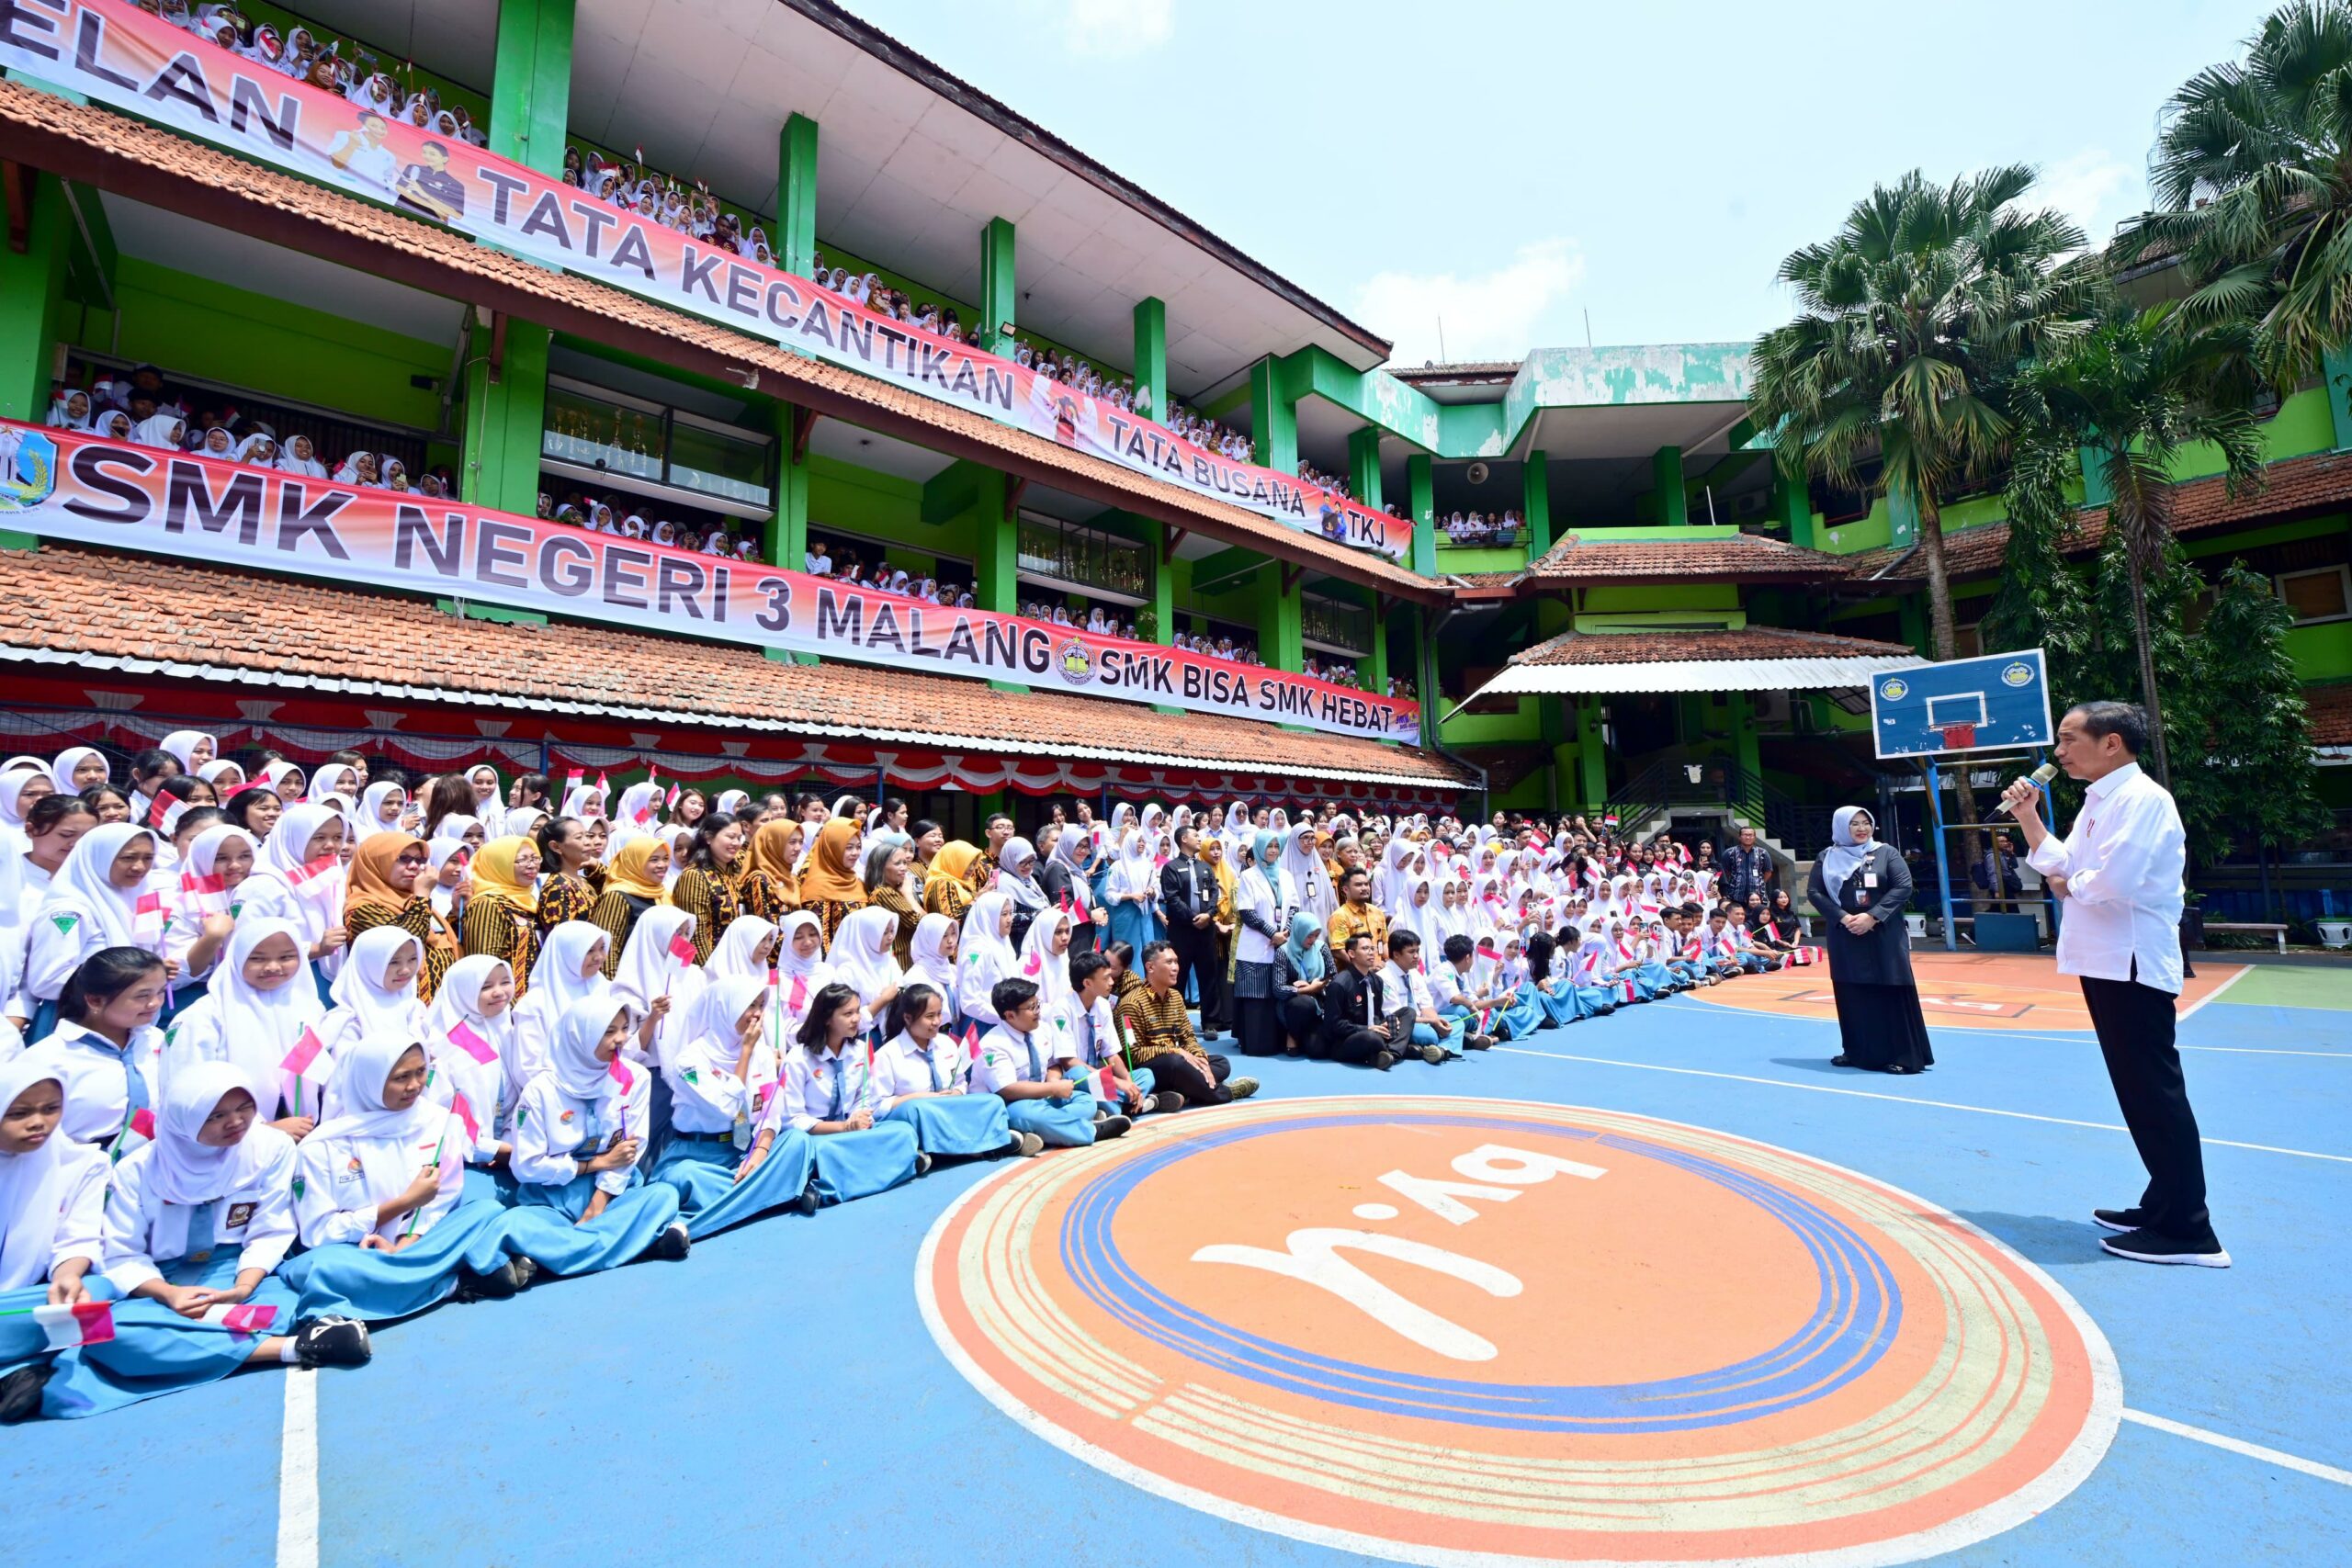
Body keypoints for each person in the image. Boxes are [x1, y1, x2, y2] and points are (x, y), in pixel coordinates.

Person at [2002, 702, 2224, 1268]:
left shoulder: (2143, 800)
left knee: (2154, 1093)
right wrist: (2030, 817)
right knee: (2137, 1093)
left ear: (2112, 742)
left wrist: (2068, 885)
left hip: (2130, 962)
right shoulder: (2100, 800)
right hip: (2104, 962)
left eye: (2069, 739)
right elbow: (2062, 861)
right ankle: (2163, 1204)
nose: (2058, 752)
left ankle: (2189, 1231)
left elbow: (2110, 881)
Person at [43, 1063, 369, 1419]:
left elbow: (271, 1229)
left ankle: (201, 1344)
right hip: (159, 1284)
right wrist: (169, 1295)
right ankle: (287, 1348)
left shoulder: (270, 1147)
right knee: (106, 1334)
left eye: (244, 1108)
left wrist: (243, 1287)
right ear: (185, 1118)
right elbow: (122, 1253)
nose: (236, 1122)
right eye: (215, 1116)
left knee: (283, 1304)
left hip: (238, 1273)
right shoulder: (136, 1170)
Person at [277, 1034, 529, 1322]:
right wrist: (403, 1203)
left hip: (420, 1241)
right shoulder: (322, 1147)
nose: (414, 1086)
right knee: (320, 1266)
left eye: (421, 1072)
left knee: (488, 1211)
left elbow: (439, 1201)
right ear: (369, 1080)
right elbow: (318, 1232)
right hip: (359, 1251)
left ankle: (396, 1287)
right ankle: (447, 1283)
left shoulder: (438, 1122)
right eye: (400, 1077)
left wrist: (404, 1244)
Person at [507, 995, 691, 1270]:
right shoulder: (541, 1091)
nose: (620, 1039)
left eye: (624, 1029)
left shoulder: (634, 1077)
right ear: (580, 1036)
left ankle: (560, 1253)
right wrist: (595, 1164)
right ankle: (632, 1243)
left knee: (663, 1195)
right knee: (512, 1223)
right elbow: (526, 1167)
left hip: (612, 1192)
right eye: (608, 1031)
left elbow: (632, 1149)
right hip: (552, 1199)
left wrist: (598, 1203)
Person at [651, 976, 820, 1236]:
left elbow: (771, 1111)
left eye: (760, 1005)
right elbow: (727, 1107)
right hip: (697, 1155)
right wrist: (745, 1053)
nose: (756, 1014)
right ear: (725, 1008)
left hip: (742, 1148)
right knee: (686, 1176)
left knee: (798, 1141)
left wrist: (760, 1153)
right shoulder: (688, 1062)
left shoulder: (762, 1053)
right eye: (749, 1006)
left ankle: (730, 1204)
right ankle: (775, 1192)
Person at [0, 1060, 109, 1423]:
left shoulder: (81, 1163)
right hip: (18, 1315)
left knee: (101, 1292)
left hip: (25, 1301)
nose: (38, 1123)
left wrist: (68, 1276)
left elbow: (79, 1237)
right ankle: (26, 1365)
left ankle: (20, 1366)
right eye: (18, 1113)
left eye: (51, 1109)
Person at [1807, 807, 1933, 1076]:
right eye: (1854, 824)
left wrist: (1873, 917)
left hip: (1883, 934)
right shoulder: (1827, 857)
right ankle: (1857, 1051)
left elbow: (1902, 887)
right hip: (1845, 934)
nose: (1862, 828)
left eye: (1866, 823)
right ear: (1842, 827)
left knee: (1890, 987)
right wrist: (1842, 918)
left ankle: (1903, 1055)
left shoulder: (1887, 853)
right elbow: (1815, 892)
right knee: (1851, 990)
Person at [779, 983, 922, 1203]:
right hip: (818, 1135)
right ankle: (821, 1189)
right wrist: (842, 1128)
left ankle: (844, 1179)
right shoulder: (798, 1059)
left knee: (902, 1130)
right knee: (824, 1149)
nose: (856, 1019)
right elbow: (793, 1119)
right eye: (848, 1014)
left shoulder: (859, 1051)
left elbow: (865, 1098)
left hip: (850, 1129)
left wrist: (859, 1116)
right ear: (827, 1018)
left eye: (857, 1011)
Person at [870, 983, 1038, 1159]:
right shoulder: (887, 1055)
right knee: (918, 1109)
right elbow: (878, 1107)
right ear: (908, 1018)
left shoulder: (946, 1044)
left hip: (948, 1108)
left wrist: (956, 1092)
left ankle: (968, 1146)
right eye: (929, 1016)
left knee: (992, 1101)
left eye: (938, 1015)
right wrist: (921, 1097)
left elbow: (960, 1083)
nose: (936, 1022)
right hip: (919, 1114)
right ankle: (988, 1142)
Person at [1114, 942, 1256, 1107]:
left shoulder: (1175, 997)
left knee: (1221, 1063)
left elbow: (1188, 1037)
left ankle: (1180, 1093)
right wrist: (1175, 1051)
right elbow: (1134, 1054)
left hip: (1179, 1064)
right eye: (1169, 962)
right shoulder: (1131, 1004)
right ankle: (1225, 1093)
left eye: (1176, 962)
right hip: (1152, 1068)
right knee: (1175, 1063)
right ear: (1150, 967)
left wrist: (1200, 1059)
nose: (1175, 967)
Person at [1159, 824, 1224, 1036]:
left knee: (1208, 976)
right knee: (1177, 976)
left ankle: (1211, 1023)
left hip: (1206, 930)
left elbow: (1214, 893)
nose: (1199, 838)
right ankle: (1174, 1023)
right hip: (1182, 931)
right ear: (1183, 839)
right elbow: (1172, 898)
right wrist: (1192, 917)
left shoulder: (1205, 867)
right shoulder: (1171, 867)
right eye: (1195, 835)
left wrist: (1209, 914)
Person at [1317, 931, 1402, 1067]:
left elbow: (1377, 1014)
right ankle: (1395, 1050)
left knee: (1408, 1013)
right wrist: (1367, 1029)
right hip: (1346, 1041)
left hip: (1373, 1031)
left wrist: (1385, 1024)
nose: (1371, 952)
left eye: (1372, 948)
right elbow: (1332, 1026)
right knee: (1370, 1037)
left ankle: (1388, 1053)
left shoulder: (1377, 980)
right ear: (1351, 954)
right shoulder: (1339, 984)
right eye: (1365, 949)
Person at [1718, 826, 1774, 908]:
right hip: (1735, 896)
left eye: (1751, 835)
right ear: (1740, 837)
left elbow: (1768, 872)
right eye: (1745, 835)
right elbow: (1724, 872)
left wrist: (1759, 882)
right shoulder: (1729, 853)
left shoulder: (1763, 853)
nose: (1748, 837)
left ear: (1754, 837)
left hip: (1757, 896)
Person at [1972, 831, 2024, 917]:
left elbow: (2014, 865)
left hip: (2006, 886)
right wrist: (1997, 890)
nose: (2005, 843)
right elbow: (1992, 873)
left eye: (2006, 841)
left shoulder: (2003, 854)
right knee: (2010, 912)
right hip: (2002, 887)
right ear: (1994, 843)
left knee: (2003, 911)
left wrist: (2011, 853)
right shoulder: (1992, 855)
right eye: (2001, 841)